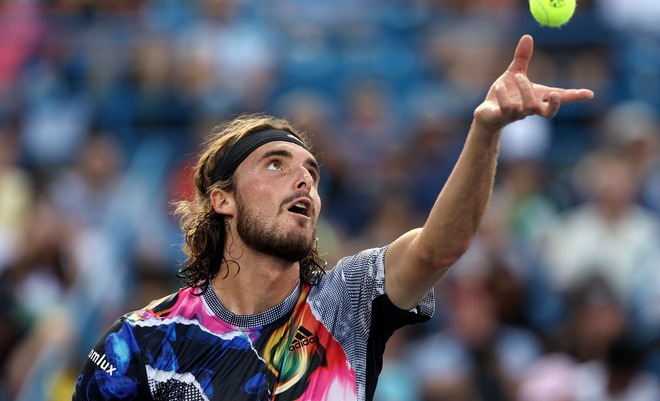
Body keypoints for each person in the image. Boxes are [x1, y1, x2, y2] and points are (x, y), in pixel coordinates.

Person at [72, 34, 593, 400]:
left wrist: (486, 130)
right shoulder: (139, 340)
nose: (304, 181)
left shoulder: (345, 301)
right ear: (221, 199)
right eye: (276, 165)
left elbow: (439, 248)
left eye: (312, 173)